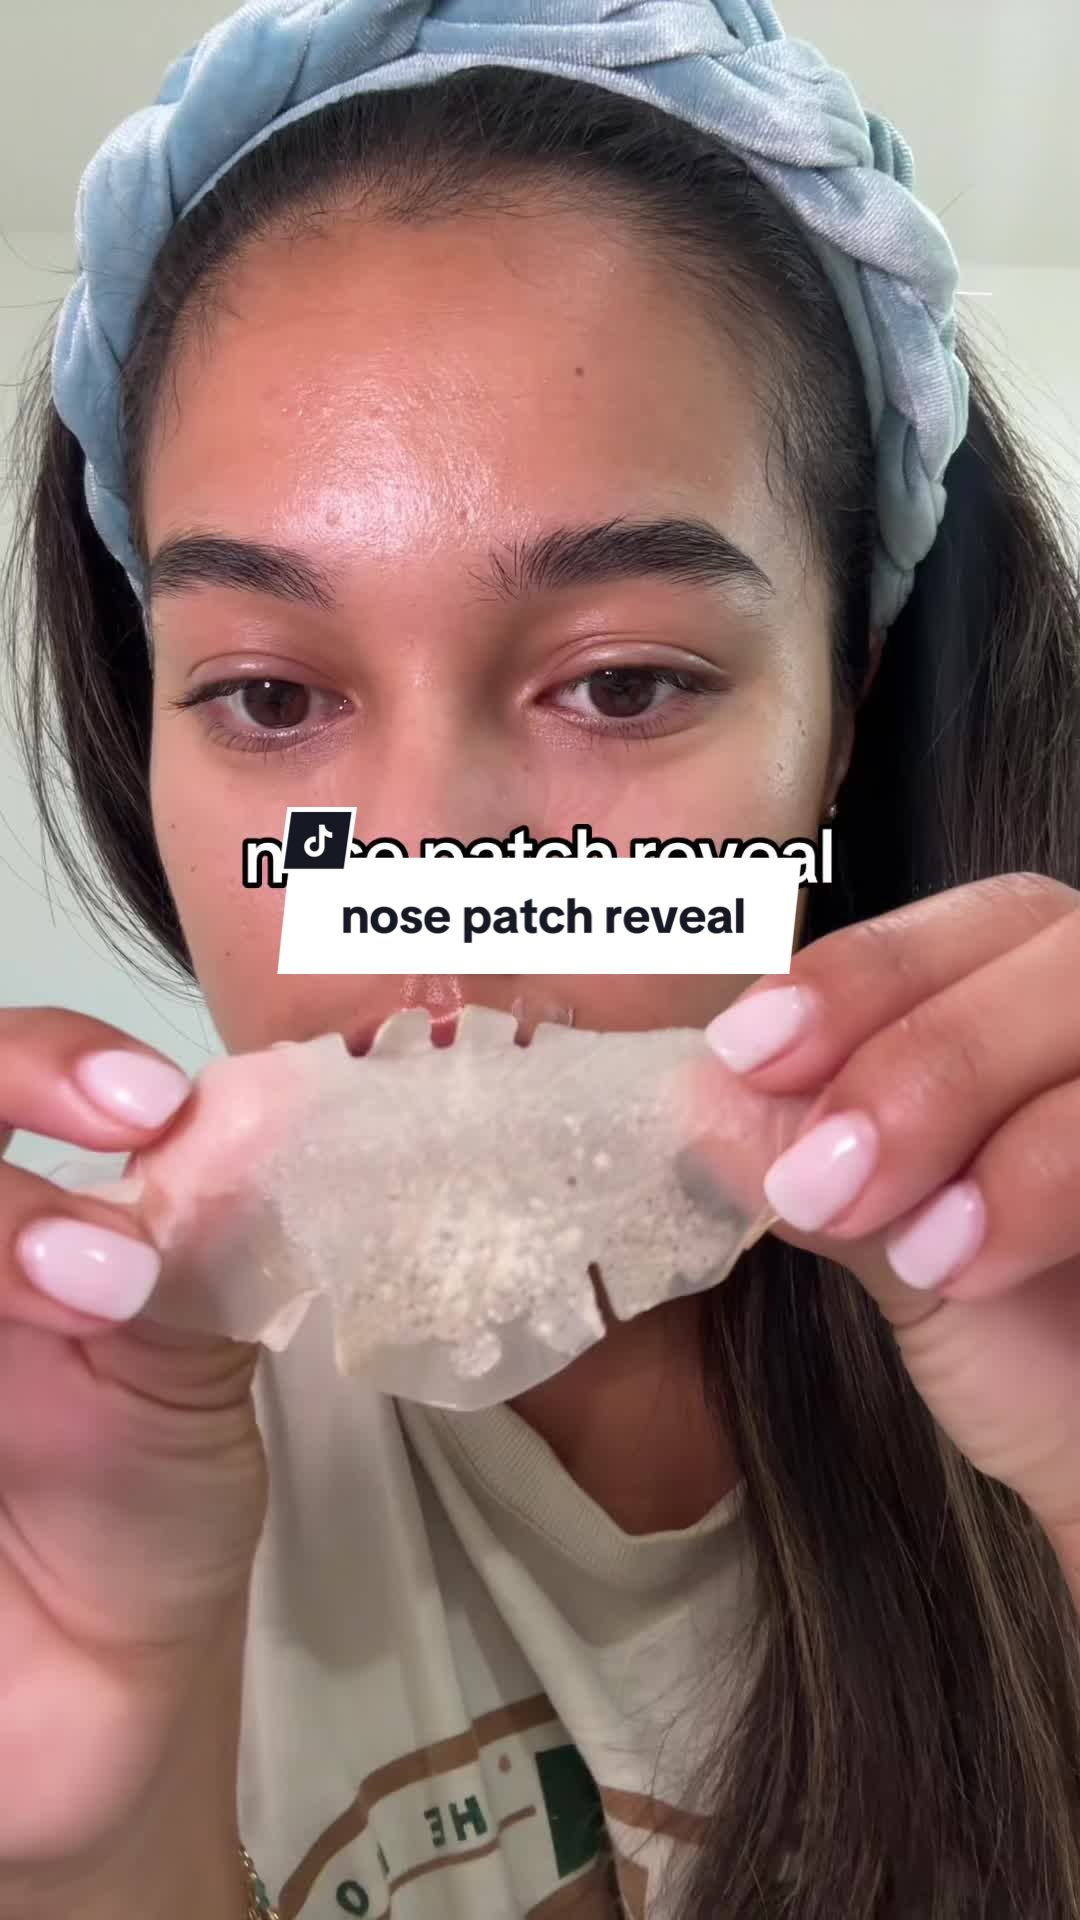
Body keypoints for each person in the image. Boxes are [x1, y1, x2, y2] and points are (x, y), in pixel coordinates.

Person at [3, 2, 1080, 1915]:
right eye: (270, 697)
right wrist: (91, 1833)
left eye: (625, 684)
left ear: (843, 717)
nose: (431, 875)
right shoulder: (67, 1474)